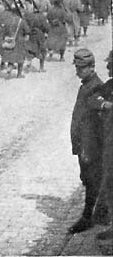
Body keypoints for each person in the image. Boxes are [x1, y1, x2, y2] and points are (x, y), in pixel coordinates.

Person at [68, 48, 107, 234]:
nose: (78, 71)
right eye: (77, 67)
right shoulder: (86, 84)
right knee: (89, 180)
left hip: (89, 146)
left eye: (81, 68)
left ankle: (87, 218)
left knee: (92, 180)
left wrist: (86, 148)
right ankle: (98, 214)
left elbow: (97, 125)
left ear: (92, 68)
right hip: (83, 144)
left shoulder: (96, 87)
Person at [90, 50, 113, 240]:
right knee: (110, 183)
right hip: (110, 144)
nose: (108, 67)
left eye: (111, 64)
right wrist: (105, 104)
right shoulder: (110, 86)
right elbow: (92, 98)